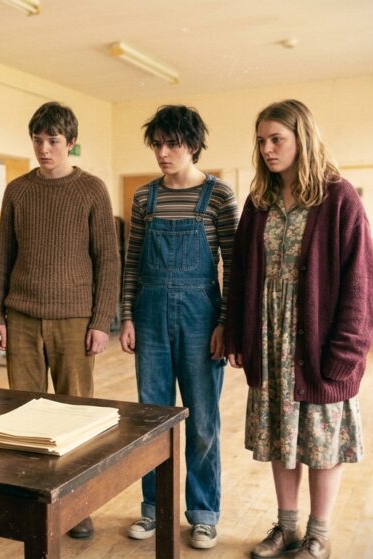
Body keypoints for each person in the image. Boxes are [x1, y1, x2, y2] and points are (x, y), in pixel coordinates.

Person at [225, 99, 373, 559]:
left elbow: (363, 283)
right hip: (269, 340)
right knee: (281, 437)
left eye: (277, 139)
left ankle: (319, 533)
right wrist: (237, 335)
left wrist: (347, 352)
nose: (268, 149)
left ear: (302, 138)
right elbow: (239, 274)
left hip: (318, 340)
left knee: (322, 440)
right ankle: (287, 527)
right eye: (261, 141)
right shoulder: (259, 202)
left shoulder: (339, 197)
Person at [0, 100, 120, 540]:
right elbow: (3, 255)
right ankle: (29, 503)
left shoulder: (93, 190)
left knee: (76, 416)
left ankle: (77, 507)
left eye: (54, 141)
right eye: (38, 140)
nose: (44, 149)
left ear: (72, 144)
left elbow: (109, 260)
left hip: (75, 322)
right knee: (22, 415)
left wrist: (102, 320)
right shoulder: (18, 191)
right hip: (22, 318)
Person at [118, 105, 237, 549]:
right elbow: (132, 261)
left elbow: (236, 267)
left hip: (201, 318)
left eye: (172, 144)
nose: (163, 153)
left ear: (193, 145)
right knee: (151, 418)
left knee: (203, 420)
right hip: (148, 316)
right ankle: (153, 509)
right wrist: (127, 315)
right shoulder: (144, 197)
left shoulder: (220, 196)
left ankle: (204, 513)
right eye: (157, 145)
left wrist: (226, 324)